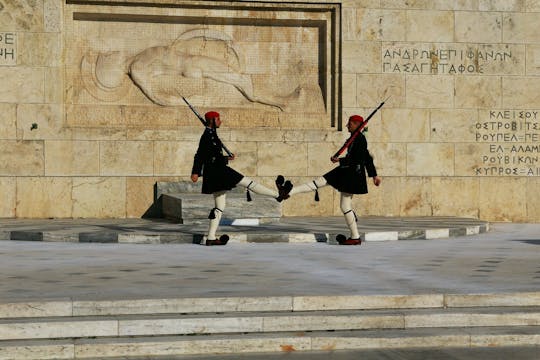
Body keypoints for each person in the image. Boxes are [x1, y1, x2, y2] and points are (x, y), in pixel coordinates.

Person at [191, 111, 291, 246]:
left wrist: (226, 158)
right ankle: (277, 195)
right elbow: (200, 155)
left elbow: (213, 155)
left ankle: (210, 238)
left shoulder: (212, 134)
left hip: (217, 171)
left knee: (219, 207)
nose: (221, 121)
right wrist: (195, 172)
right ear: (212, 120)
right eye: (218, 119)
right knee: (248, 182)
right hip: (218, 172)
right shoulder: (207, 136)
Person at [285, 115, 381, 245]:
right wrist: (374, 175)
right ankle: (289, 192)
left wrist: (339, 160)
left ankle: (355, 236)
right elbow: (367, 158)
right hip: (346, 171)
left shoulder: (360, 139)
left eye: (350, 123)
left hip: (352, 174)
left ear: (357, 124)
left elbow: (361, 159)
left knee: (344, 205)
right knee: (322, 183)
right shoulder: (355, 138)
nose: (347, 126)